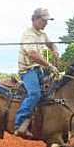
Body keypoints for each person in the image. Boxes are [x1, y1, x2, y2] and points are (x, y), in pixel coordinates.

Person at [14, 8, 60, 138]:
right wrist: (50, 65)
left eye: (47, 21)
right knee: (35, 94)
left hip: (38, 70)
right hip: (28, 70)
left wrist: (55, 49)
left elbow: (51, 44)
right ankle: (19, 123)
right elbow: (33, 54)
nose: (46, 23)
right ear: (34, 19)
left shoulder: (42, 34)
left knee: (55, 89)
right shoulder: (28, 34)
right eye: (43, 20)